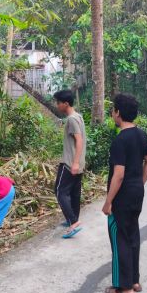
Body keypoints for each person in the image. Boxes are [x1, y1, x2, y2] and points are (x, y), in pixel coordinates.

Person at [102, 94, 147, 293]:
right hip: (136, 193)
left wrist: (108, 201)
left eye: (114, 110)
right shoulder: (141, 135)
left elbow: (119, 174)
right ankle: (133, 280)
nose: (113, 113)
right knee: (132, 234)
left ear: (118, 113)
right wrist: (139, 182)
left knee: (120, 238)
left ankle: (124, 288)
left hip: (121, 197)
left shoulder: (120, 140)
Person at [52, 89, 87, 238]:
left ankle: (73, 222)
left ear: (66, 104)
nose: (57, 105)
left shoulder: (72, 119)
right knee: (74, 192)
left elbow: (79, 140)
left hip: (70, 163)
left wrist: (74, 163)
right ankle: (73, 218)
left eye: (58, 103)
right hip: (78, 162)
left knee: (60, 191)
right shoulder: (77, 116)